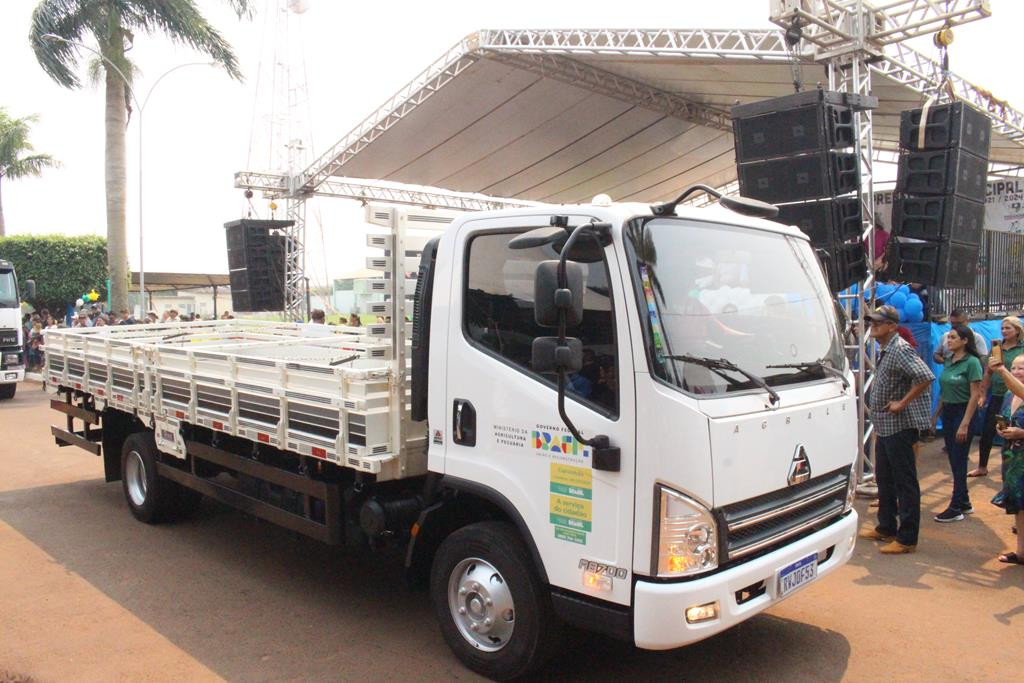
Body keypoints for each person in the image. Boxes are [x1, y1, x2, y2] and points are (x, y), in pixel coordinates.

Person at [859, 305, 935, 554]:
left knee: (904, 482)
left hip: (900, 426)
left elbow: (925, 376)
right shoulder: (887, 349)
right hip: (886, 426)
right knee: (884, 478)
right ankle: (886, 526)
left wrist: (903, 402)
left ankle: (907, 538)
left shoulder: (900, 349)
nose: (873, 325)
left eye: (878, 322)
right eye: (871, 321)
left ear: (892, 325)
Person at [931, 324, 984, 522]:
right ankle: (965, 502)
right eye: (948, 337)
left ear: (965, 341)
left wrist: (965, 423)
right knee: (954, 459)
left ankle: (955, 507)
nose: (948, 341)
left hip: (964, 412)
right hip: (949, 412)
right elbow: (944, 392)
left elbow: (974, 395)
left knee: (959, 459)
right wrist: (936, 415)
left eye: (953, 337)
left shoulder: (972, 363)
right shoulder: (948, 360)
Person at [971, 316, 1024, 477]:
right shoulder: (996, 349)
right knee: (989, 430)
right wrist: (982, 394)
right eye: (1002, 328)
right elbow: (988, 372)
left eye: (1008, 328)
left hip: (1020, 396)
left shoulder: (1022, 349)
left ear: (1017, 330)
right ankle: (982, 466)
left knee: (1017, 431)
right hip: (999, 395)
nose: (1004, 331)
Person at [989, 354, 1024, 565]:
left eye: (1022, 368)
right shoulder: (1010, 395)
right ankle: (1021, 553)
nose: (1017, 371)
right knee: (1019, 506)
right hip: (1013, 459)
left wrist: (1022, 433)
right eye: (1014, 367)